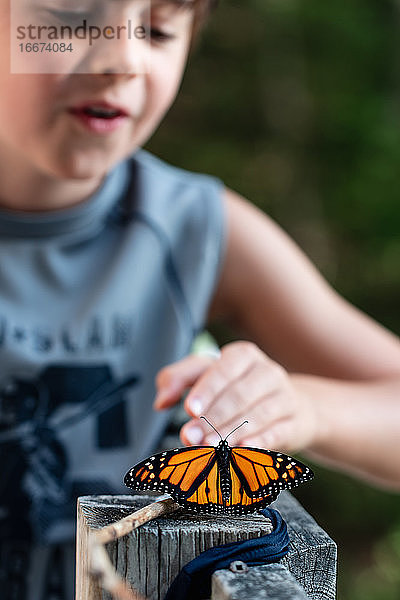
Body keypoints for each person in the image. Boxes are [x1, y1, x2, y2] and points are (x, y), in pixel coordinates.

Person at [0, 0, 400, 598]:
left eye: (158, 31)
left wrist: (301, 405)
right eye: (71, 17)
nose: (122, 60)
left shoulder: (196, 229)